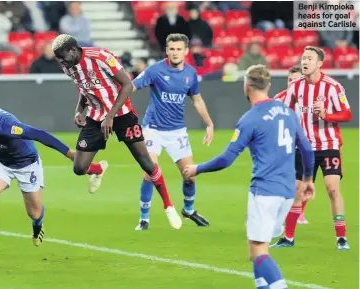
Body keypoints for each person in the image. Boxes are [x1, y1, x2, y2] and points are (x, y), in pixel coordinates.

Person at [183, 64, 315, 289]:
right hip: (286, 192)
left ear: (246, 86)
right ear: (269, 85)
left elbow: (226, 159)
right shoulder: (288, 112)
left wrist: (197, 169)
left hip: (264, 191)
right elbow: (307, 149)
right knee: (257, 247)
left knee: (258, 250)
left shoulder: (250, 118)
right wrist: (308, 180)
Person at [52, 34, 182, 229]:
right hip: (96, 117)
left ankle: (168, 205)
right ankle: (98, 169)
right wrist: (79, 110)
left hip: (121, 114)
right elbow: (84, 87)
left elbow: (128, 84)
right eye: (58, 58)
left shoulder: (101, 56)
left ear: (73, 50)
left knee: (146, 162)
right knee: (79, 168)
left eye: (62, 56)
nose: (61, 61)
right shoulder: (68, 67)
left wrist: (111, 116)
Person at [0, 98, 102, 268]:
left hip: (26, 163)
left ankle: (38, 224)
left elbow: (39, 134)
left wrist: (70, 154)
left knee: (34, 213)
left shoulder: (7, 125)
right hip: (0, 161)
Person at [271, 46, 352, 250]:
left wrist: (327, 115)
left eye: (309, 58)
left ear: (320, 63)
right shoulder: (296, 86)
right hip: (305, 147)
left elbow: (347, 114)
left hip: (328, 145)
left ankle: (341, 237)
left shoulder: (333, 87)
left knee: (333, 188)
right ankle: (288, 237)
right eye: (303, 58)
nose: (304, 61)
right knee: (298, 190)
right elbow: (286, 109)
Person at [132, 33, 214, 230]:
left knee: (190, 175)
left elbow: (196, 99)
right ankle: (144, 218)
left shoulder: (191, 74)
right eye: (172, 49)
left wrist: (209, 124)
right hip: (153, 129)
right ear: (166, 50)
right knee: (150, 171)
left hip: (177, 131)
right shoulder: (155, 70)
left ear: (186, 51)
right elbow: (132, 86)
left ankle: (188, 209)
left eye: (179, 49)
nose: (175, 53)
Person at [274, 66, 309, 225]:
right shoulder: (279, 100)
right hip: (283, 148)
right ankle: (280, 212)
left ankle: (299, 213)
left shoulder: (310, 99)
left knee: (303, 183)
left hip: (304, 147)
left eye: (296, 80)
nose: (292, 83)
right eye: (290, 80)